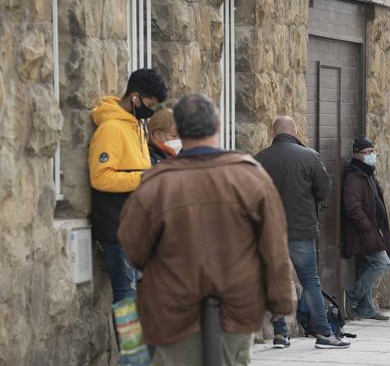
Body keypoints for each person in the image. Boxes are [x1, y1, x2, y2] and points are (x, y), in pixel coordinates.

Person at [117, 94, 296, 366]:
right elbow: (274, 247)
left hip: (172, 306)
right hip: (237, 305)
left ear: (178, 130)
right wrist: (281, 302)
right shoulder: (250, 177)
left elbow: (133, 246)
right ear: (218, 126)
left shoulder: (157, 182)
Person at [255, 116, 350, 349]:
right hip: (300, 230)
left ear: (273, 132)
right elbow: (324, 189)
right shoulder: (309, 156)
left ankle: (280, 334)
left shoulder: (258, 160)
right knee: (310, 281)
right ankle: (324, 334)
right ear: (295, 131)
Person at [88, 68, 167, 305]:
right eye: (149, 103)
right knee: (126, 295)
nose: (151, 110)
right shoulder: (111, 129)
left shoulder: (136, 126)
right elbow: (100, 178)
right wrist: (144, 178)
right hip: (117, 225)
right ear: (135, 97)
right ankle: (132, 345)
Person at [342, 136, 390, 321]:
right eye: (367, 152)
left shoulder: (367, 173)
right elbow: (352, 206)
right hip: (364, 231)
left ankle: (366, 308)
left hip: (373, 229)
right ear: (356, 154)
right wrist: (367, 226)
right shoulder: (354, 176)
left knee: (366, 266)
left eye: (373, 151)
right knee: (381, 263)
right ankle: (352, 294)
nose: (372, 155)